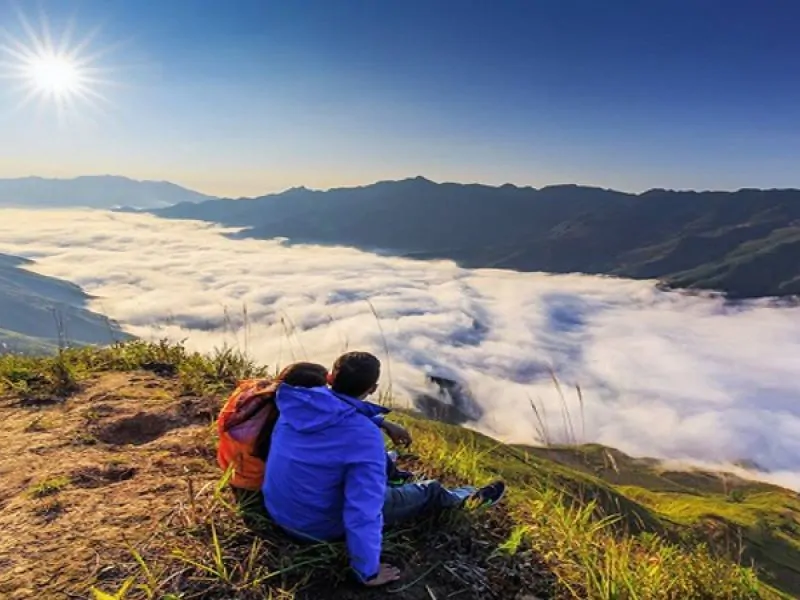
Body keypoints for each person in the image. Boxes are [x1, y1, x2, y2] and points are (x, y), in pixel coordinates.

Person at [264, 351, 505, 587]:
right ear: (373, 389)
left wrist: (382, 421)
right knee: (429, 490)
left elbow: (337, 411)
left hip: (278, 509)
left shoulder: (295, 404)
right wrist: (367, 571)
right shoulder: (363, 436)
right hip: (316, 526)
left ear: (329, 378)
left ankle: (392, 474)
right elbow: (363, 509)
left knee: (370, 461)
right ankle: (468, 498)